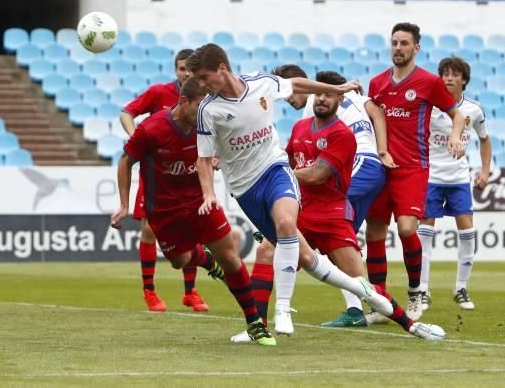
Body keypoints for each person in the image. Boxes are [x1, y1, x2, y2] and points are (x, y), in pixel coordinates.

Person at [188, 44, 393, 336]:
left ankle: (284, 310)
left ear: (222, 68)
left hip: (277, 170)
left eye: (205, 77)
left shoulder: (261, 84)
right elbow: (203, 158)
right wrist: (209, 192)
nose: (202, 85)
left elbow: (296, 84)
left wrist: (341, 87)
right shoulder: (209, 109)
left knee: (285, 227)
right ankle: (365, 295)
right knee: (301, 256)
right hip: (246, 186)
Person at [234, 71, 444, 341]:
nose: (322, 98)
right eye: (318, 93)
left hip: (333, 217)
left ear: (340, 98)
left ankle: (412, 326)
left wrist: (265, 173)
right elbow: (283, 160)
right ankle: (257, 328)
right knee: (266, 253)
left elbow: (316, 175)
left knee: (362, 284)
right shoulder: (300, 128)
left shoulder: (344, 135)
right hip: (304, 214)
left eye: (329, 94)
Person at [110, 76, 275, 345]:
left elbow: (226, 145)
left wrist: (220, 156)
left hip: (201, 202)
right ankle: (206, 261)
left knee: (230, 258)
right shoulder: (152, 129)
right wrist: (124, 204)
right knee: (179, 260)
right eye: (201, 104)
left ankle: (255, 322)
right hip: (164, 211)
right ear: (183, 101)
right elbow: (126, 161)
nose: (206, 109)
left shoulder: (209, 123)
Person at [275, 66, 395, 327]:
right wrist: (383, 150)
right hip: (370, 164)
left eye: (288, 90)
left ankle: (371, 304)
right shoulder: (345, 95)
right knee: (340, 238)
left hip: (359, 162)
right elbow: (376, 109)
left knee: (332, 225)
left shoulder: (314, 104)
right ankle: (371, 304)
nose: (286, 97)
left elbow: (313, 171)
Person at [364, 23, 466, 324]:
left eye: (404, 43)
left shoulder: (429, 81)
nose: (398, 47)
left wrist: (455, 136)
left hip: (412, 167)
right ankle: (379, 301)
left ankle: (415, 291)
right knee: (374, 234)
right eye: (394, 42)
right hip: (381, 168)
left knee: (408, 229)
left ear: (416, 48)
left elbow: (457, 114)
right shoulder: (377, 83)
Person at [120, 49, 212, 312]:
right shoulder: (159, 93)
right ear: (175, 71)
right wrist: (135, 137)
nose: (185, 73)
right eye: (181, 68)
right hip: (157, 175)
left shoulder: (203, 99)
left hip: (190, 173)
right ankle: (149, 291)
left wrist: (212, 155)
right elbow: (126, 112)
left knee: (193, 230)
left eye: (189, 69)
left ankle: (190, 292)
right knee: (149, 229)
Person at [419, 57, 490, 311]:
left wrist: (484, 170)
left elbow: (484, 139)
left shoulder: (474, 109)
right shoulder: (428, 107)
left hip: (459, 178)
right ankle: (422, 290)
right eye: (445, 74)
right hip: (430, 178)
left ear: (464, 80)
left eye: (454, 74)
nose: (448, 78)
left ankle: (461, 288)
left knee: (467, 232)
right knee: (424, 233)